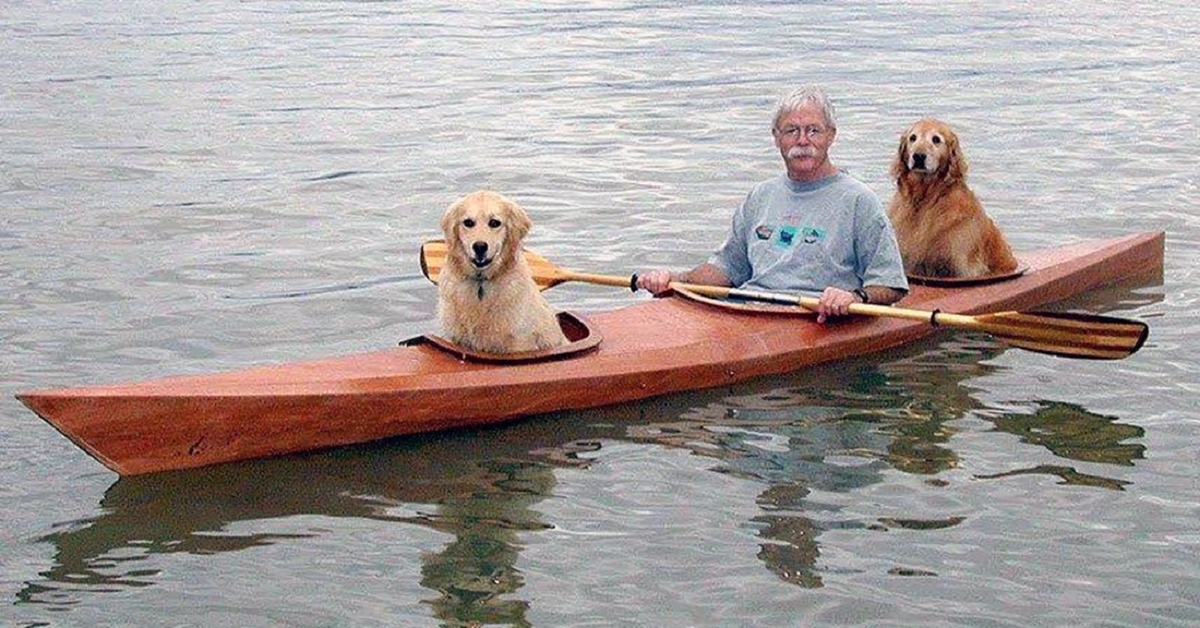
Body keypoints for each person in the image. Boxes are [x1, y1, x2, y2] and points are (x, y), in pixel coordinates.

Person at [636, 86, 908, 323]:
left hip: (817, 318)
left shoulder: (860, 201)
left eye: (813, 130)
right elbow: (727, 270)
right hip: (751, 313)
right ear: (776, 137)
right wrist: (674, 281)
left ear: (831, 135)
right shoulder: (760, 196)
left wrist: (854, 296)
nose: (803, 141)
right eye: (792, 131)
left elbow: (890, 284)